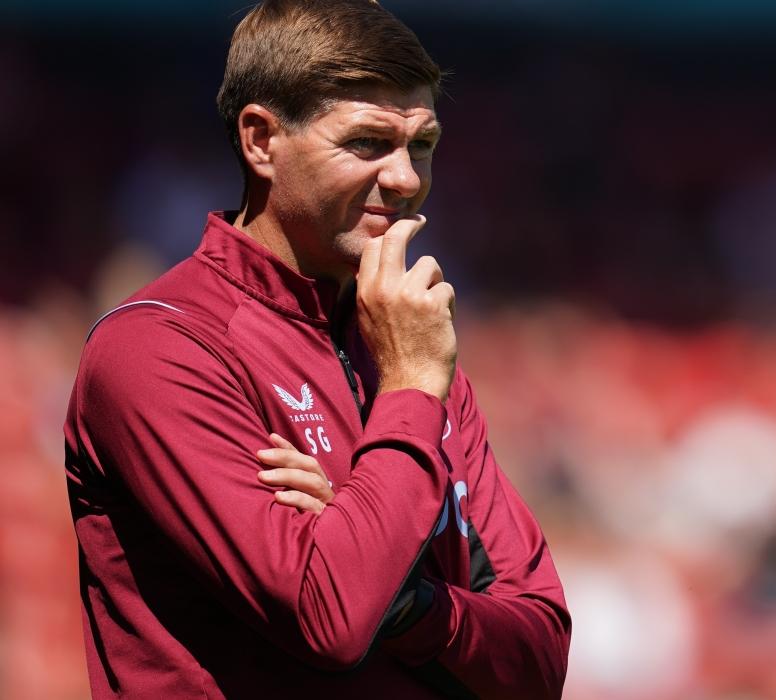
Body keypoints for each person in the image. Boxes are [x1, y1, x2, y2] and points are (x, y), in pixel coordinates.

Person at [62, 1, 571, 698]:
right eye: (367, 142)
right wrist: (409, 394)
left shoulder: (408, 353)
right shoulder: (159, 347)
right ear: (261, 140)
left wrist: (404, 595)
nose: (406, 179)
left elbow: (540, 659)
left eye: (421, 144)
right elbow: (330, 618)